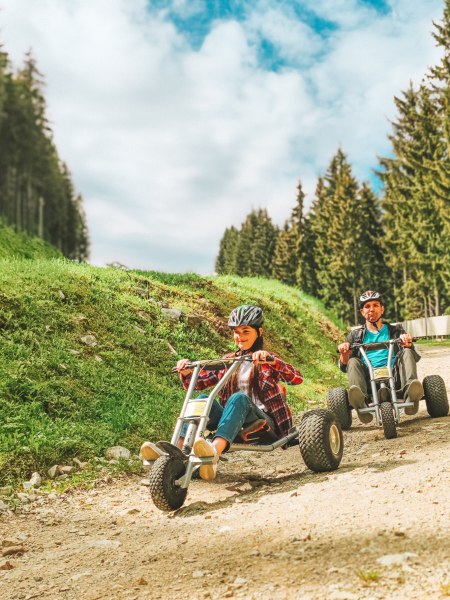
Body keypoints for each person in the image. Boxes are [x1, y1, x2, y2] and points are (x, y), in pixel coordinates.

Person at [140, 304, 303, 480]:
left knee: (239, 398)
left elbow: (296, 378)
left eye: (246, 331)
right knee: (202, 399)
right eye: (236, 332)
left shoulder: (267, 359)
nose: (240, 337)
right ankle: (177, 454)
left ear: (259, 332)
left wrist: (272, 361)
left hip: (264, 423)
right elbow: (199, 383)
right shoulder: (228, 361)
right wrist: (187, 372)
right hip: (232, 421)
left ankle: (213, 453)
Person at [338, 290, 422, 423]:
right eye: (367, 306)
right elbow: (344, 367)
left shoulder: (396, 331)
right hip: (368, 381)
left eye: (375, 305)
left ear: (382, 309)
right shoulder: (355, 336)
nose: (371, 309)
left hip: (395, 377)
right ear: (362, 311)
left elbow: (414, 357)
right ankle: (361, 403)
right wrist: (344, 353)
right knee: (353, 361)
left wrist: (407, 343)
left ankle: (410, 395)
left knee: (406, 352)